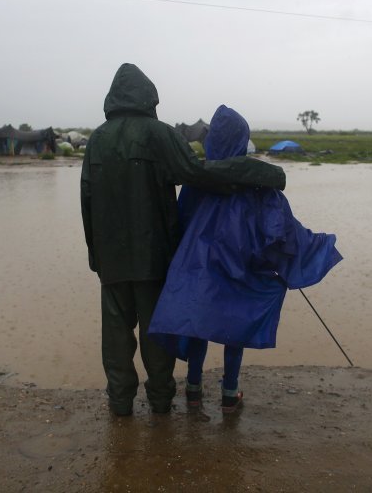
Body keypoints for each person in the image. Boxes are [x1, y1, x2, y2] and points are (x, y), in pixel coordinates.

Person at [80, 64, 286, 416]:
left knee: (115, 335)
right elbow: (194, 173)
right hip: (153, 255)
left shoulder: (98, 138)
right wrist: (258, 172)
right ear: (149, 96)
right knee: (154, 332)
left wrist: (94, 254)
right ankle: (160, 404)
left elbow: (86, 199)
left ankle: (119, 404)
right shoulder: (159, 134)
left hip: (111, 258)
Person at [148, 105, 343, 413]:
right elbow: (279, 228)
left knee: (197, 323)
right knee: (235, 324)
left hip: (200, 268)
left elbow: (179, 222)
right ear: (242, 139)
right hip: (243, 267)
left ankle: (194, 390)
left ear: (212, 141)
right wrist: (311, 249)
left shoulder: (197, 181)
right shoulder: (259, 184)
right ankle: (229, 393)